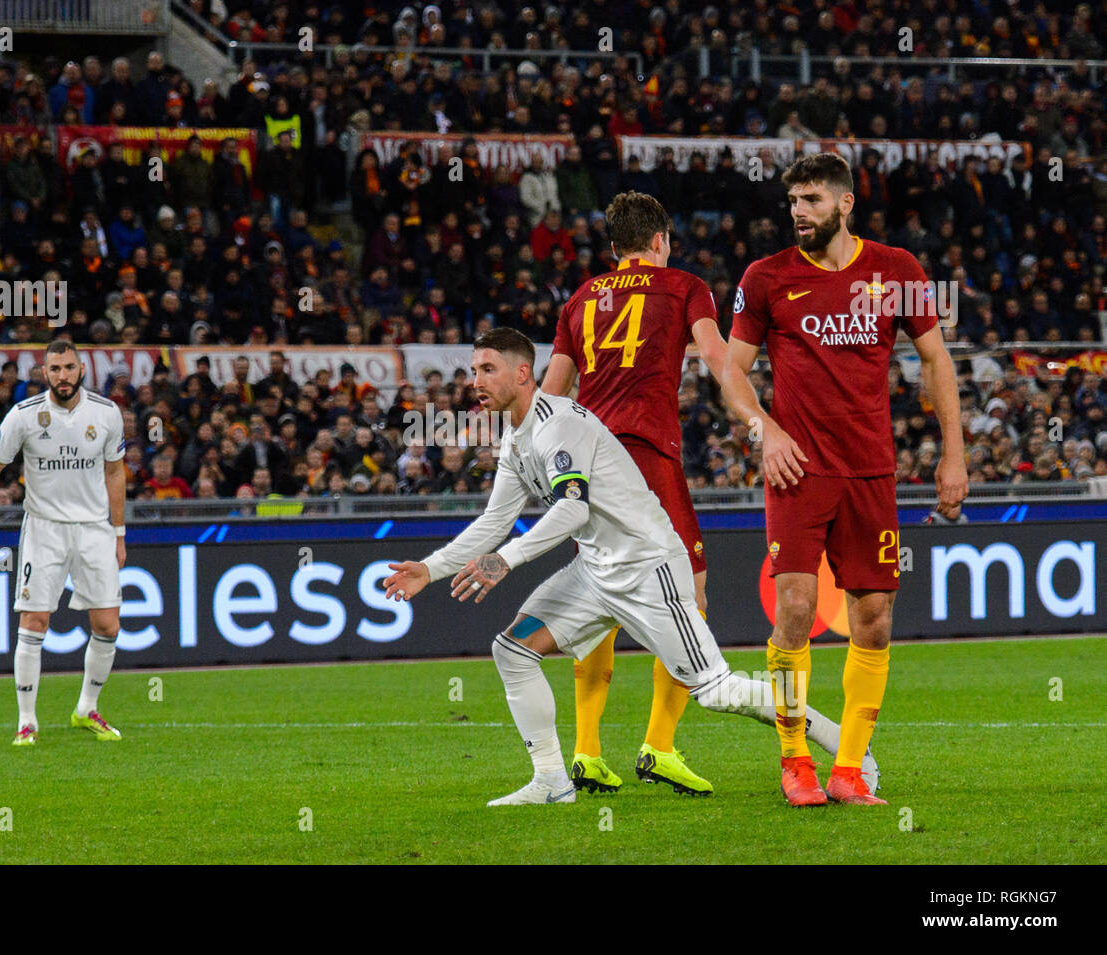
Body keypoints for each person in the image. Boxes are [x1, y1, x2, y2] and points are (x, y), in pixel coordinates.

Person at [383, 329, 832, 806]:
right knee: (512, 651)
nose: (476, 380)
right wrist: (430, 569)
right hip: (596, 572)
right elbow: (496, 519)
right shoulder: (517, 437)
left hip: (647, 566)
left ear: (521, 373)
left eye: (487, 369)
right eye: (474, 371)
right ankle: (553, 782)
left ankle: (844, 745)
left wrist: (506, 560)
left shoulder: (559, 425)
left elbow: (573, 510)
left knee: (718, 692)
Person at [543, 190, 865, 796]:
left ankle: (585, 752)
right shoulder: (684, 286)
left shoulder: (579, 300)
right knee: (689, 599)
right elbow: (719, 356)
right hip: (647, 460)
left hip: (587, 466)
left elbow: (552, 397)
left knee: (601, 593)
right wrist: (758, 417)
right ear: (661, 240)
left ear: (614, 249)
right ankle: (658, 746)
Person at [726, 152, 967, 806]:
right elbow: (730, 370)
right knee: (797, 610)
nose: (798, 212)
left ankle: (849, 769)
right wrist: (764, 429)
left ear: (844, 202)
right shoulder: (767, 277)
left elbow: (935, 359)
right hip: (797, 468)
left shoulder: (897, 270)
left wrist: (954, 452)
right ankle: (795, 758)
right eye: (793, 201)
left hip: (870, 469)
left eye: (810, 199)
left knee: (874, 620)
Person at [0, 340, 129, 746]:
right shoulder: (24, 416)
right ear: (44, 373)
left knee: (107, 624)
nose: (62, 375)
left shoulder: (107, 413)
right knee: (34, 621)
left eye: (69, 367)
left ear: (81, 370)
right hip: (44, 529)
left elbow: (115, 473)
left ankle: (86, 709)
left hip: (94, 528)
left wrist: (118, 532)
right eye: (55, 368)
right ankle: (27, 721)